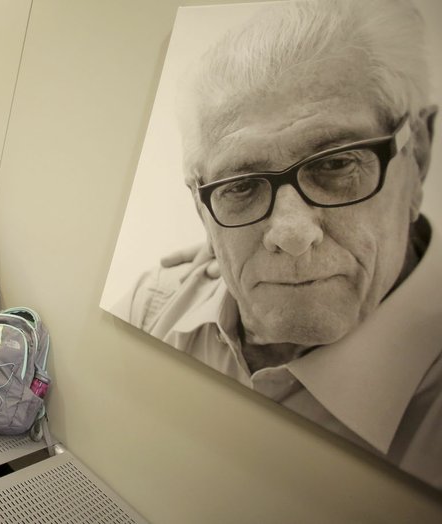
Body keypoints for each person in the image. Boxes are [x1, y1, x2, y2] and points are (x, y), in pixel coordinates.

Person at [128, 0, 440, 489]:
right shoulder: (153, 307)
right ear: (201, 207)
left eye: (336, 164)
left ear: (417, 154)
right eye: (240, 185)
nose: (292, 234)